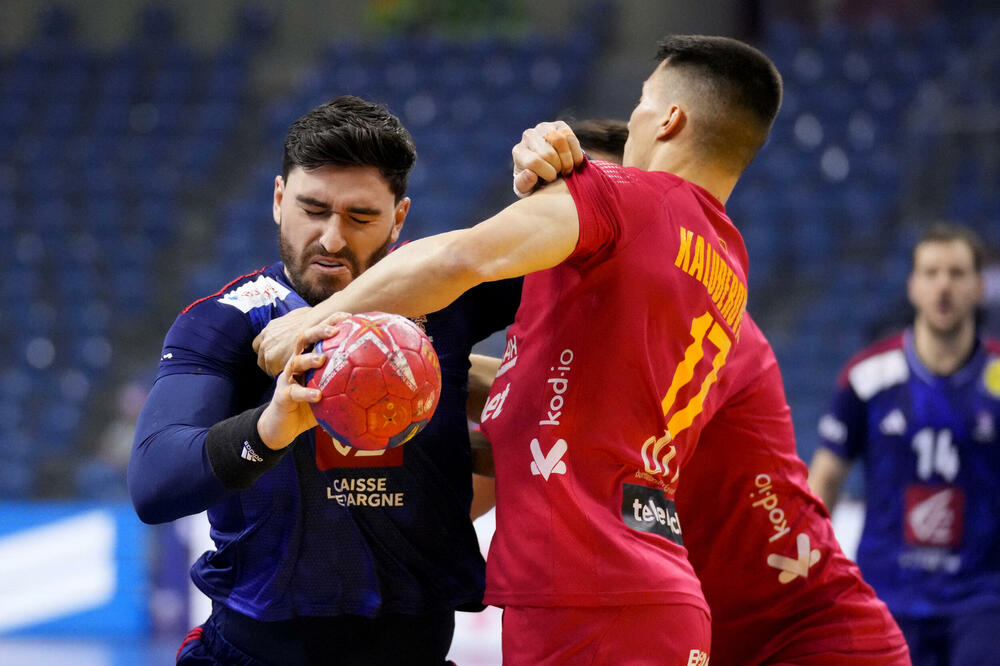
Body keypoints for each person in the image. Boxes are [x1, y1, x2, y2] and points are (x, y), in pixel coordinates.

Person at [253, 34, 783, 664]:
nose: (635, 114)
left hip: (586, 598)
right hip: (652, 592)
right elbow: (566, 395)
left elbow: (462, 256)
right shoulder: (725, 262)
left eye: (643, 100)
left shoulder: (634, 199)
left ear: (670, 118)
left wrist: (317, 321)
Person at [496, 118, 911, 665]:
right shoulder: (593, 334)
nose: (572, 224)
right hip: (726, 638)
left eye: (586, 203)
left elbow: (567, 418)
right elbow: (523, 408)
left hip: (810, 634)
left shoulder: (703, 317)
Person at [127, 96, 521, 665]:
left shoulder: (446, 289)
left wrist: (567, 165)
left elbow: (592, 249)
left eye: (361, 218)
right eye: (313, 209)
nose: (333, 240)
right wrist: (269, 428)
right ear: (278, 199)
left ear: (400, 218)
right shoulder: (230, 321)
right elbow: (154, 481)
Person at [810, 224, 1000, 666]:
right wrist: (815, 564)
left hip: (982, 598)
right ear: (913, 286)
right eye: (932, 273)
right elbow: (825, 477)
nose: (943, 286)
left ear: (978, 286)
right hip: (888, 592)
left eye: (956, 273)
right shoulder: (868, 376)